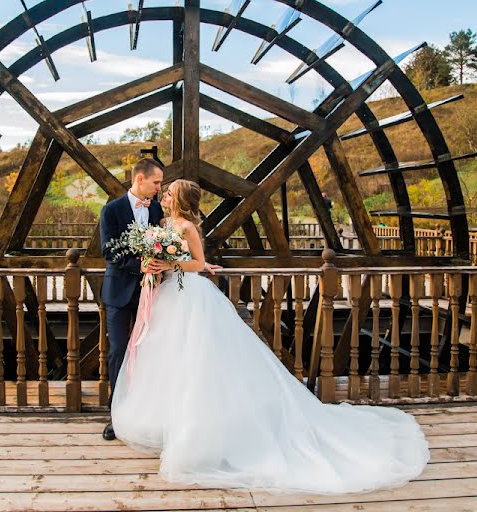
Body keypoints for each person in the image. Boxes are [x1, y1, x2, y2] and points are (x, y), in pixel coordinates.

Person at [110, 179, 429, 494]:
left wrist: (170, 262)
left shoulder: (189, 228)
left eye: (168, 193)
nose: (163, 195)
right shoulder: (163, 222)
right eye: (162, 191)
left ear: (179, 199)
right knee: (168, 360)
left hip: (189, 296)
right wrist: (156, 264)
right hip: (168, 295)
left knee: (198, 361)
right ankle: (167, 425)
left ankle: (197, 432)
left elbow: (195, 262)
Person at [99, 157, 165, 442]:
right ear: (140, 179)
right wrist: (138, 265)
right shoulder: (111, 210)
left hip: (152, 291)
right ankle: (116, 416)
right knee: (118, 350)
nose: (159, 188)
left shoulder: (157, 209)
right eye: (156, 182)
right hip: (119, 291)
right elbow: (108, 251)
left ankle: (145, 412)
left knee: (150, 352)